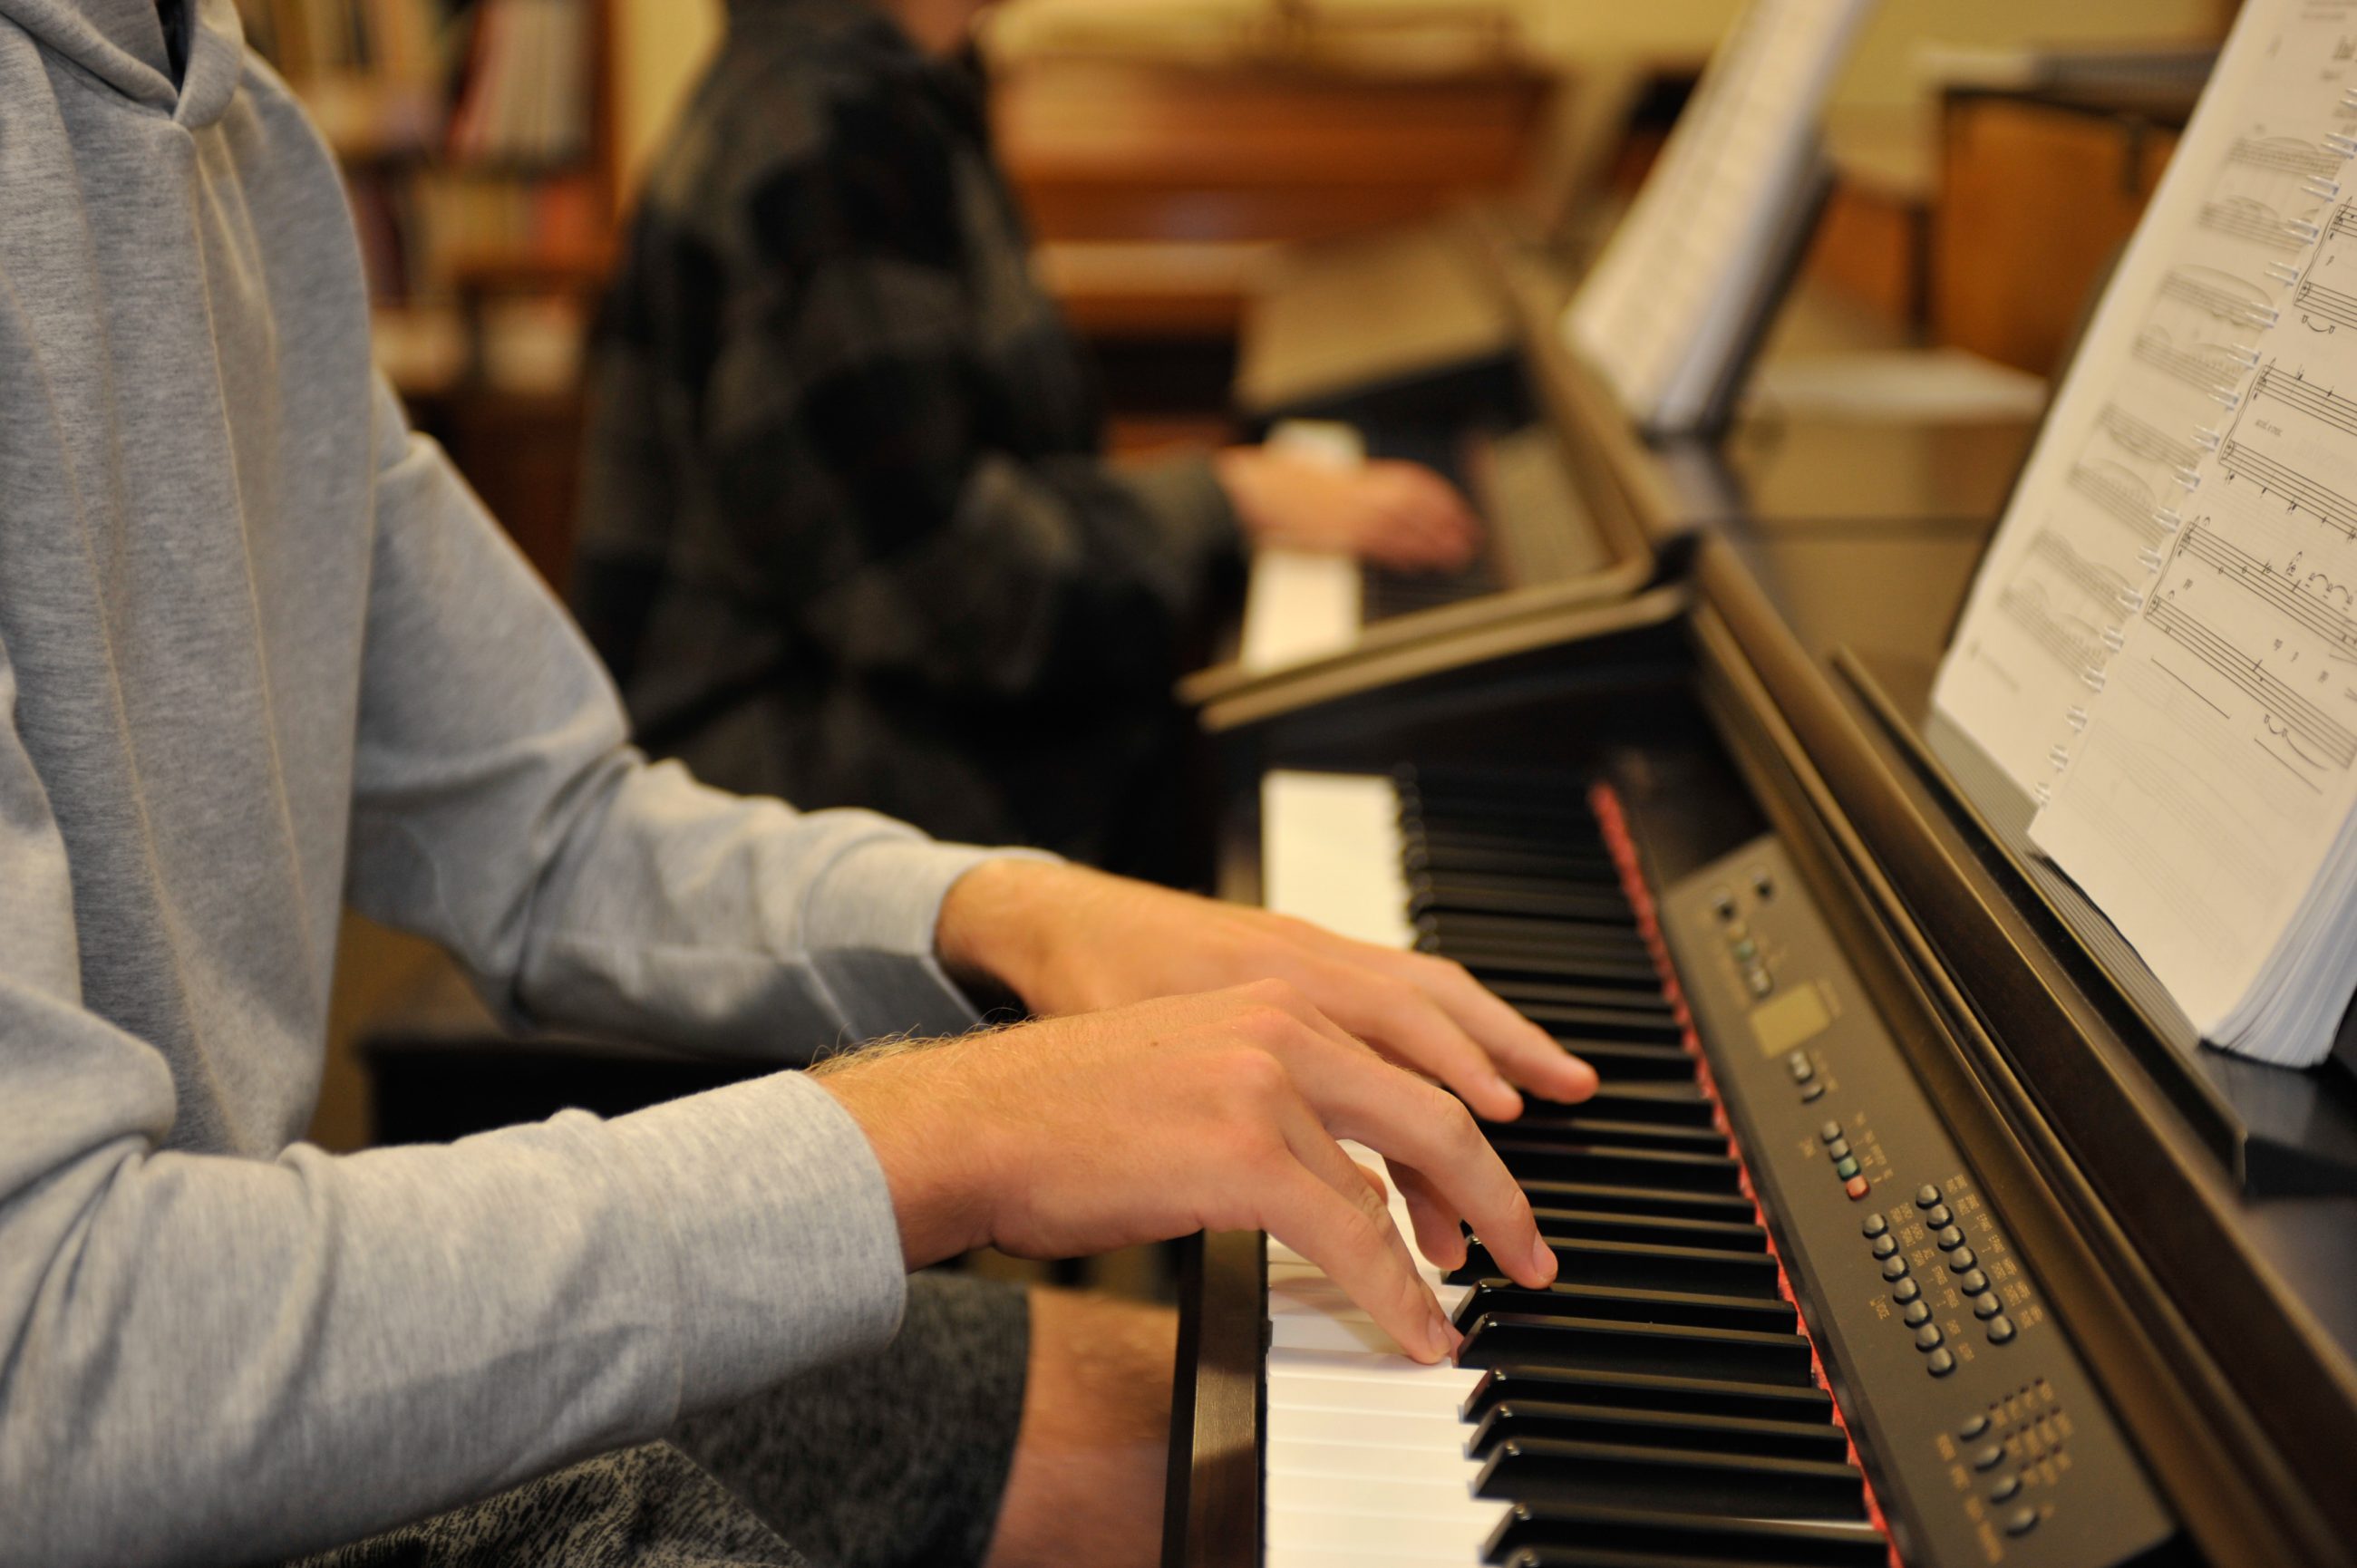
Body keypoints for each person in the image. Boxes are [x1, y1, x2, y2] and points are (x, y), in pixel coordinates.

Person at [0, 4, 1596, 1567]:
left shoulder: (247, 129)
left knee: (1210, 1436)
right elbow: (49, 1367)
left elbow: (539, 824)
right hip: (144, 1390)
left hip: (239, 1330)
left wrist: (1020, 914)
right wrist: (951, 1128)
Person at [571, 0, 1485, 883]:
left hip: (855, 730)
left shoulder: (884, 91)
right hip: (785, 805)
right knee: (1243, 791)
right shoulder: (819, 133)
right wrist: (1229, 497)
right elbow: (951, 590)